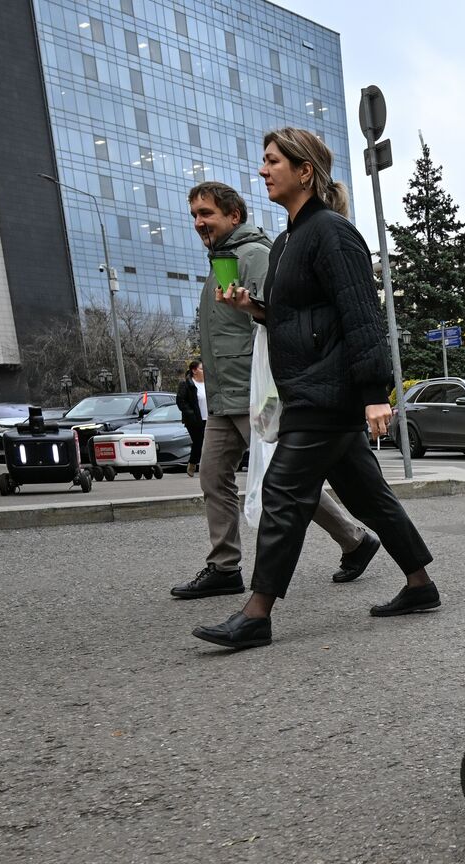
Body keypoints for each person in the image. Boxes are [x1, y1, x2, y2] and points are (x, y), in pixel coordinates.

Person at [193, 128, 438, 649]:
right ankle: (420, 583)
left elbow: (363, 315)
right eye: (263, 162)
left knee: (283, 492)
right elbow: (290, 316)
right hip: (306, 387)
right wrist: (251, 309)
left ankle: (256, 613)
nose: (263, 171)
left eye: (272, 161)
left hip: (328, 391)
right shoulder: (285, 242)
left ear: (305, 170)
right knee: (367, 496)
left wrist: (377, 393)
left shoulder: (333, 232)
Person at [170, 180, 378, 602]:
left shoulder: (256, 256)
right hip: (224, 398)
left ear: (234, 215)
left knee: (285, 481)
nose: (199, 222)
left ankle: (355, 539)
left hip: (257, 393)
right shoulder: (219, 262)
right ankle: (224, 565)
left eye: (206, 213)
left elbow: (280, 319)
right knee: (213, 477)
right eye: (194, 215)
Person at [176, 360, 207, 476]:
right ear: (194, 371)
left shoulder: (209, 384)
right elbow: (181, 401)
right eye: (202, 369)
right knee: (199, 442)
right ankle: (193, 463)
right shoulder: (186, 384)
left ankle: (206, 467)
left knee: (209, 444)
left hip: (210, 418)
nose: (205, 371)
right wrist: (191, 414)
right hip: (194, 420)